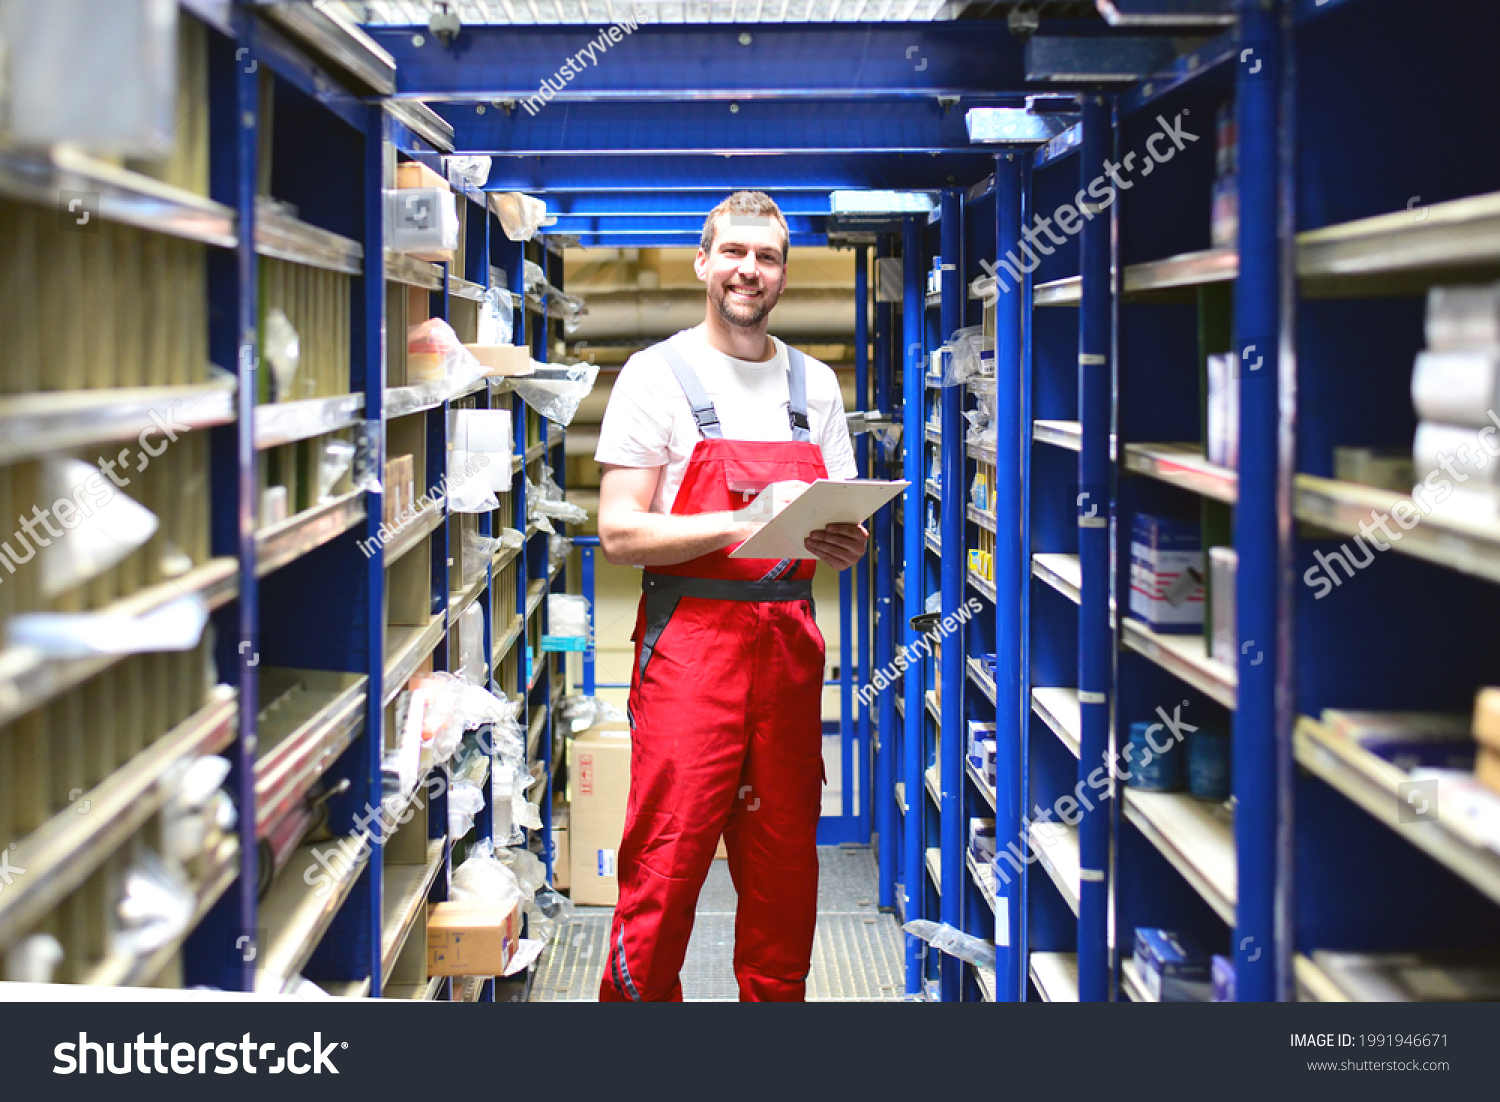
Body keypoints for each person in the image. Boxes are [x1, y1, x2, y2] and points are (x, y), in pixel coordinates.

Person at [592, 190, 868, 1001]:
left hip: (787, 643)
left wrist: (847, 541)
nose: (752, 270)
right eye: (736, 253)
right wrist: (741, 521)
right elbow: (618, 533)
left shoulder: (814, 385)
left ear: (784, 272)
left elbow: (843, 513)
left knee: (784, 864)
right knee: (667, 865)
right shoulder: (657, 376)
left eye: (769, 256)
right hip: (691, 649)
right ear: (704, 263)